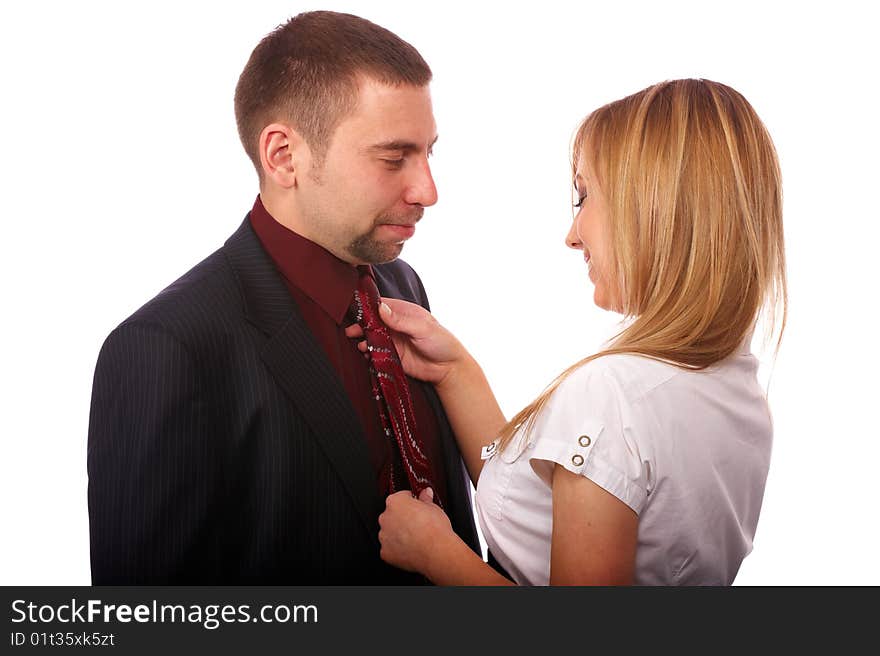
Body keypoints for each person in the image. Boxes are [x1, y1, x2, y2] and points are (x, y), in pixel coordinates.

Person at [86, 11, 480, 584]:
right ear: (283, 156)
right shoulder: (165, 347)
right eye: (394, 158)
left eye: (429, 154)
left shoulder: (401, 287)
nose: (428, 191)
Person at [357, 79, 787, 585]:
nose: (572, 234)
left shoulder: (612, 395)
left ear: (656, 211)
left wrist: (435, 552)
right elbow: (539, 509)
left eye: (584, 197)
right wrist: (455, 372)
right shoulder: (737, 388)